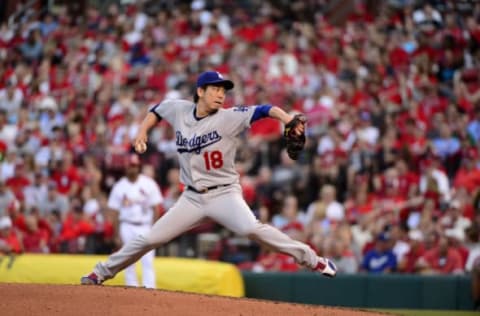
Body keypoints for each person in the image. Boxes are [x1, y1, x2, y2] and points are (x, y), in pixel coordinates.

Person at [81, 71, 336, 285]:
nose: (221, 95)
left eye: (223, 91)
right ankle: (101, 272)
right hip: (191, 197)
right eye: (215, 89)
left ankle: (313, 260)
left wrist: (287, 118)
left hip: (224, 193)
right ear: (200, 91)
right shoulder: (179, 109)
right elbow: (156, 111)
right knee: (150, 239)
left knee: (251, 228)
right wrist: (141, 132)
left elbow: (265, 110)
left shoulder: (229, 117)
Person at [105, 153, 164, 288]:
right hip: (126, 225)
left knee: (148, 259)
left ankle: (150, 288)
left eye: (134, 166)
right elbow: (114, 212)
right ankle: (131, 288)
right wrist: (116, 233)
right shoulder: (119, 186)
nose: (132, 169)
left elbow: (156, 208)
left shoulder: (148, 183)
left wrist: (155, 228)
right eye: (130, 166)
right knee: (128, 260)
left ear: (138, 167)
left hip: (145, 225)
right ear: (125, 167)